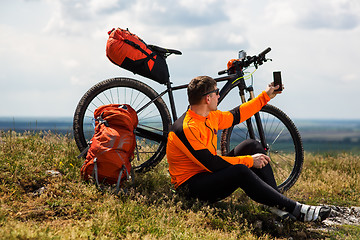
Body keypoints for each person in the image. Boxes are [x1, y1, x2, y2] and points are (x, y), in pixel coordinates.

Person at [166, 76, 331, 222]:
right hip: (191, 188)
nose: (219, 95)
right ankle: (297, 209)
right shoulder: (186, 128)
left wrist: (265, 96)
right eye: (216, 92)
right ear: (208, 99)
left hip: (207, 175)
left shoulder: (210, 116)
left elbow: (237, 115)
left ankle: (278, 204)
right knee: (240, 170)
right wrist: (250, 161)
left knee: (251, 145)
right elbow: (212, 164)